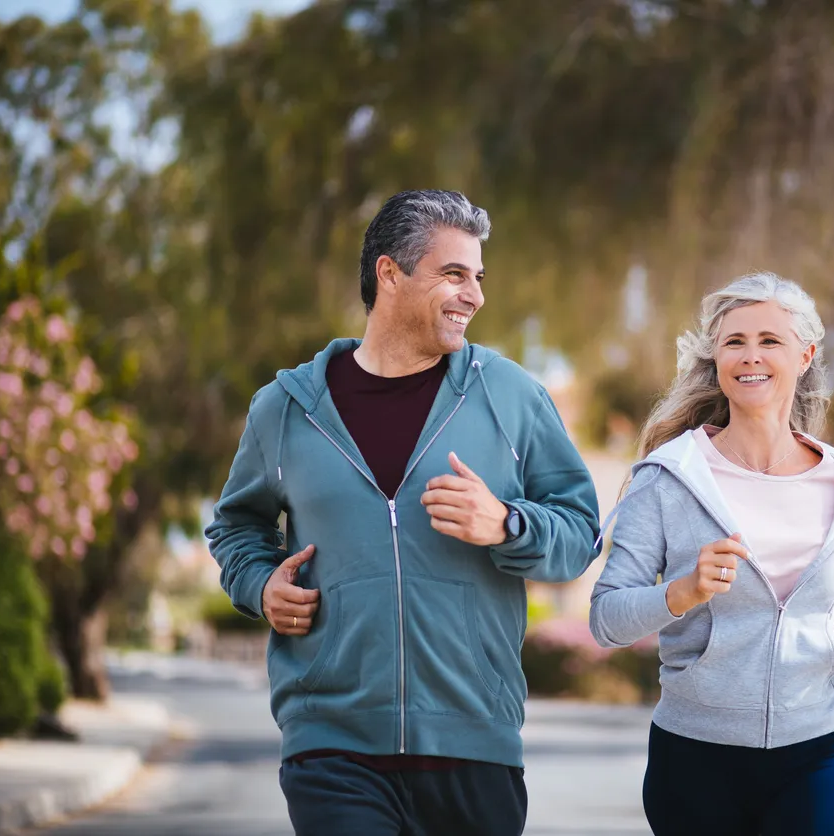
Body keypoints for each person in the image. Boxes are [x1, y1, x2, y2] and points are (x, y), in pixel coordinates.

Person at [206, 189, 601, 836]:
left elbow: (580, 533)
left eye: (477, 278)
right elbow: (237, 527)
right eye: (453, 274)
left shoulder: (511, 396)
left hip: (475, 744)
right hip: (331, 741)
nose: (473, 294)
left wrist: (506, 524)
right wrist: (259, 584)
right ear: (390, 273)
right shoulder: (286, 409)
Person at [589, 272, 834, 836]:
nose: (751, 356)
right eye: (734, 341)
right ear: (715, 357)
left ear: (806, 354)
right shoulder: (669, 477)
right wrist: (682, 592)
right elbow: (605, 617)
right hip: (696, 756)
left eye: (770, 341)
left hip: (819, 749)